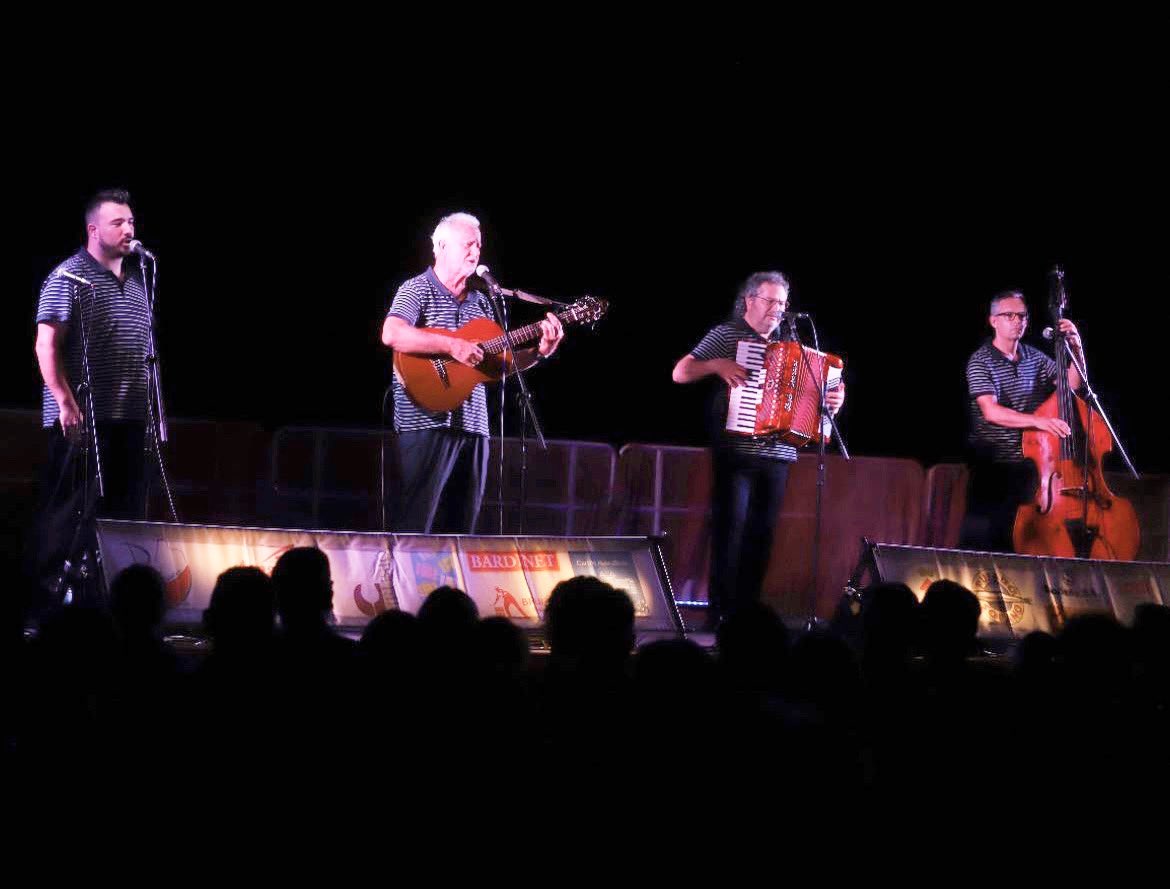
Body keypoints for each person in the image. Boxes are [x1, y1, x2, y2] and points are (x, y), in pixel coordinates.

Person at [672, 271, 844, 629]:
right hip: (735, 450)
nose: (777, 310)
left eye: (782, 304)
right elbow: (681, 372)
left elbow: (816, 395)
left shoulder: (793, 344)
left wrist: (835, 397)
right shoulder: (727, 334)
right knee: (730, 531)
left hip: (779, 454)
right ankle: (719, 615)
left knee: (762, 538)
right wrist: (715, 365)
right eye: (770, 301)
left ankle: (746, 616)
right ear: (749, 300)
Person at [380, 212, 563, 533]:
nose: (474, 251)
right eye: (467, 244)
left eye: (478, 245)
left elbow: (496, 367)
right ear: (441, 246)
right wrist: (452, 347)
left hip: (474, 428)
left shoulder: (482, 300)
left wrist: (539, 352)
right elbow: (392, 334)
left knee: (462, 528)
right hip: (426, 422)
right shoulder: (417, 289)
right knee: (415, 525)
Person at [30, 189, 153, 604]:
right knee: (71, 512)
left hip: (130, 416)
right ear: (93, 229)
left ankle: (113, 601)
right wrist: (65, 402)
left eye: (131, 221)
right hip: (83, 416)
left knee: (124, 513)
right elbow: (46, 344)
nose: (129, 229)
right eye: (118, 222)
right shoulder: (67, 276)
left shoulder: (138, 280)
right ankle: (50, 602)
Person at [960, 290, 1083, 551]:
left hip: (1032, 463)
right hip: (994, 465)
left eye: (1022, 316)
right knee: (995, 538)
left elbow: (1070, 385)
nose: (1017, 321)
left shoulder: (1033, 357)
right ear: (994, 321)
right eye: (1009, 315)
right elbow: (991, 412)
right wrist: (1040, 422)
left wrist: (1076, 348)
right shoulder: (980, 361)